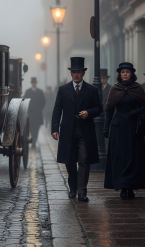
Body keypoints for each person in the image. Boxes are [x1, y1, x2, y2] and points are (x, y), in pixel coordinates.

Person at [51, 57, 103, 202]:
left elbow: (99, 108)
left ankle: (82, 192)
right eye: (74, 72)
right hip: (68, 131)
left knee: (84, 160)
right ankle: (73, 188)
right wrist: (54, 129)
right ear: (71, 73)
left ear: (83, 73)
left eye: (78, 72)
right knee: (70, 161)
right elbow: (57, 111)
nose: (76, 74)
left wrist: (88, 113)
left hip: (85, 132)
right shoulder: (63, 90)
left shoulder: (92, 89)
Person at [103, 62, 145, 199]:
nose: (125, 74)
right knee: (120, 156)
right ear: (119, 74)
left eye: (127, 72)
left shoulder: (137, 88)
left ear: (131, 74)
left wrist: (135, 112)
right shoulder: (115, 88)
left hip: (133, 127)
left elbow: (144, 106)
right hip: (118, 126)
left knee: (133, 156)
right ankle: (122, 186)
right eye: (122, 72)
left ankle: (131, 186)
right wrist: (106, 127)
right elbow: (109, 109)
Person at [24, 77, 46, 147]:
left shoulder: (40, 91)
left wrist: (39, 109)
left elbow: (43, 102)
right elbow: (25, 101)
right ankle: (32, 140)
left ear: (36, 83)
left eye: (35, 83)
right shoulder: (28, 91)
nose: (34, 84)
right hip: (30, 114)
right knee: (30, 128)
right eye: (33, 83)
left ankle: (34, 142)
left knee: (36, 129)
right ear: (31, 83)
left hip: (38, 114)